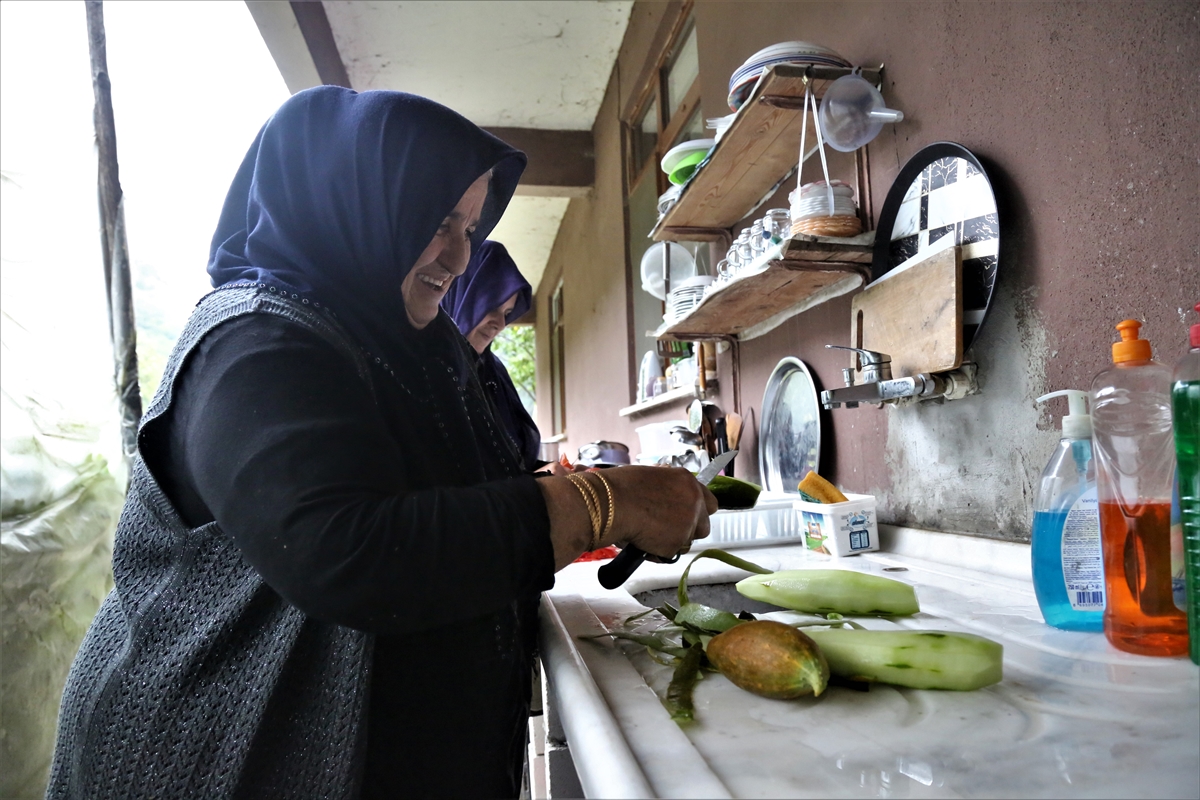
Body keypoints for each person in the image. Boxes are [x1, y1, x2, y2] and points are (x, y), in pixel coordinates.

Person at [47, 86, 715, 800]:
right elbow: (348, 552)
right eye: (437, 221)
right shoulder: (254, 342)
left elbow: (487, 492)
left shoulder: (419, 350)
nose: (459, 256)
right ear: (351, 201)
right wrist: (605, 501)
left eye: (470, 227)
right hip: (218, 759)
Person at [441, 239, 541, 469]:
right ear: (462, 296)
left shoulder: (492, 372)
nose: (500, 324)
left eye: (507, 312)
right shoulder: (427, 374)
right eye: (491, 306)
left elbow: (513, 462)